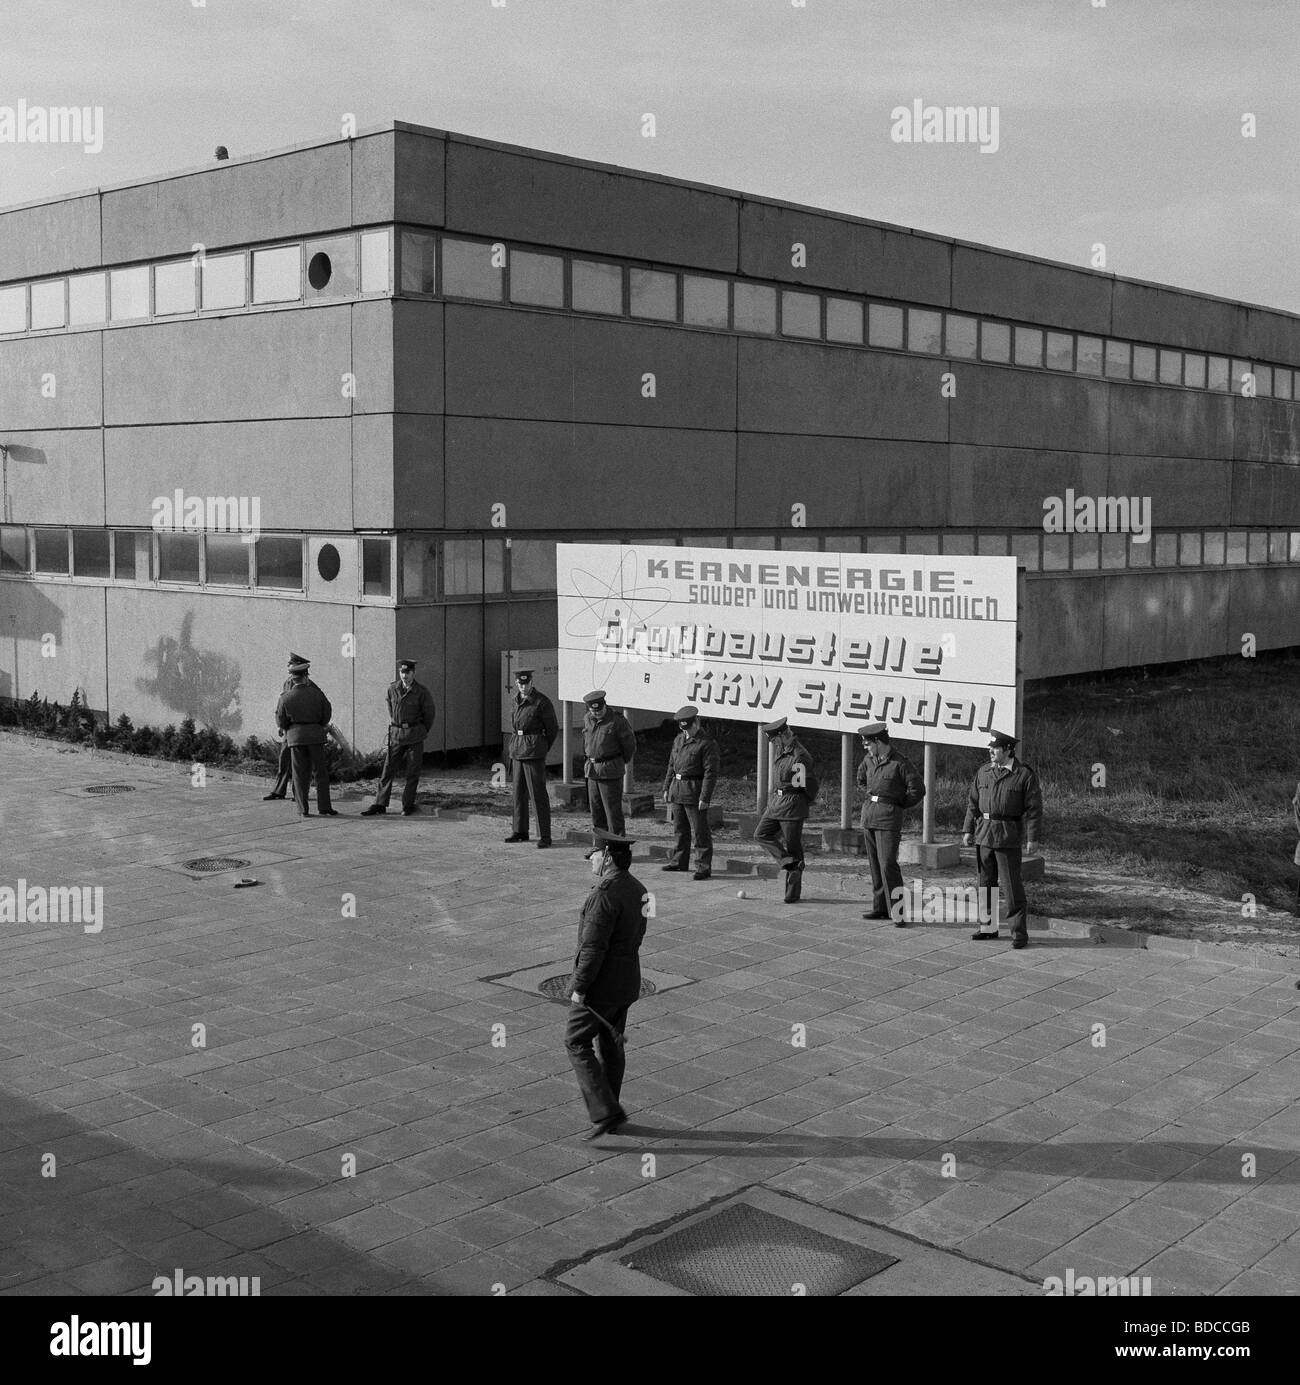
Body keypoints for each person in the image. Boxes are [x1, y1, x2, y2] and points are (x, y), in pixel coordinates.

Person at [566, 830, 647, 1140]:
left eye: (595, 855)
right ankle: (611, 1112)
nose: (592, 860)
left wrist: (580, 986)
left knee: (575, 1041)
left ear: (609, 857)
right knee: (611, 1047)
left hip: (601, 985)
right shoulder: (637, 888)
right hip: (626, 982)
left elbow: (593, 948)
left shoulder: (604, 895)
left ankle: (604, 1110)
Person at [961, 730, 1042, 948]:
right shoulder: (984, 772)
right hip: (984, 834)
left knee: (1011, 887)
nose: (990, 751)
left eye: (995, 748)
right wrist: (968, 830)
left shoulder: (1023, 775)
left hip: (1007, 835)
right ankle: (987, 928)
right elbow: (973, 803)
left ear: (1007, 750)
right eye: (990, 748)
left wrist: (1032, 838)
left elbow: (1034, 809)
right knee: (985, 884)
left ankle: (1018, 933)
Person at [856, 723, 925, 924]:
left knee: (888, 865)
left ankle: (898, 911)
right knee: (875, 865)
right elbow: (860, 780)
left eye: (868, 744)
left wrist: (898, 804)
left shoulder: (900, 763)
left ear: (878, 741)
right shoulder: (868, 760)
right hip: (869, 816)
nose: (866, 747)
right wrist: (870, 795)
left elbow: (918, 789)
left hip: (888, 819)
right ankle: (880, 908)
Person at [753, 716, 819, 903]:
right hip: (777, 802)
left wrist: (801, 802)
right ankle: (789, 863)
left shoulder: (799, 756)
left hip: (792, 805)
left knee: (793, 847)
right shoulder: (783, 750)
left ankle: (792, 893)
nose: (773, 743)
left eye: (774, 739)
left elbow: (808, 786)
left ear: (783, 735)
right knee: (761, 834)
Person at [362, 659, 436, 817]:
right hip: (397, 735)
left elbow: (429, 715)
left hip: (414, 735)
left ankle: (407, 805)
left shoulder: (421, 692)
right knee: (387, 770)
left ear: (413, 673)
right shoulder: (392, 689)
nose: (405, 676)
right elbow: (391, 709)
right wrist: (398, 724)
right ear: (399, 672)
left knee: (412, 772)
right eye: (402, 672)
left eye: (407, 672)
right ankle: (380, 804)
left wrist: (421, 730)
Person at [660, 705, 720, 880]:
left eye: (690, 727)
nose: (688, 731)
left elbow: (711, 773)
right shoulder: (679, 740)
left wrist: (705, 797)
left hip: (694, 790)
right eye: (684, 728)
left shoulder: (707, 743)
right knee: (679, 828)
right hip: (677, 788)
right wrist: (666, 787)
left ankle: (703, 866)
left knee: (700, 831)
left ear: (697, 722)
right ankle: (679, 860)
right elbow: (671, 765)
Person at [274, 657, 336, 818]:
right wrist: (318, 724)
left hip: (295, 738)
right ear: (306, 676)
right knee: (320, 773)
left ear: (293, 678)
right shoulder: (317, 694)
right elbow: (327, 713)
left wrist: (290, 728)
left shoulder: (285, 697)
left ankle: (303, 809)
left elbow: (281, 720)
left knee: (299, 774)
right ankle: (325, 807)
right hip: (316, 736)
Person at [504, 669, 559, 848]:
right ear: (516, 683)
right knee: (518, 793)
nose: (523, 686)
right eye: (520, 683)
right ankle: (520, 830)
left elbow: (552, 729)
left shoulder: (541, 702)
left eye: (526, 683)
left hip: (534, 751)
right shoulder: (515, 700)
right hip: (518, 749)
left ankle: (545, 835)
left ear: (531, 682)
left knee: (538, 794)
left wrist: (541, 747)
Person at [582, 690, 636, 843]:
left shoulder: (617, 721)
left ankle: (617, 848)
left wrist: (617, 762)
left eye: (599, 709)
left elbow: (629, 746)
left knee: (613, 813)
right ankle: (599, 846)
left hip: (610, 771)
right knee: (596, 812)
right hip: (592, 770)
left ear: (604, 705)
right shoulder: (588, 719)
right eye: (593, 710)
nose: (596, 713)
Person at [262, 651, 314, 800]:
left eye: (290, 663)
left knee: (300, 764)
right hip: (288, 729)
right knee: (284, 760)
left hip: (299, 730)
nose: (288, 666)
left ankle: (299, 792)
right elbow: (282, 705)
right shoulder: (287, 682)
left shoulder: (308, 685)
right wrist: (280, 724)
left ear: (298, 666)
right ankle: (279, 790)